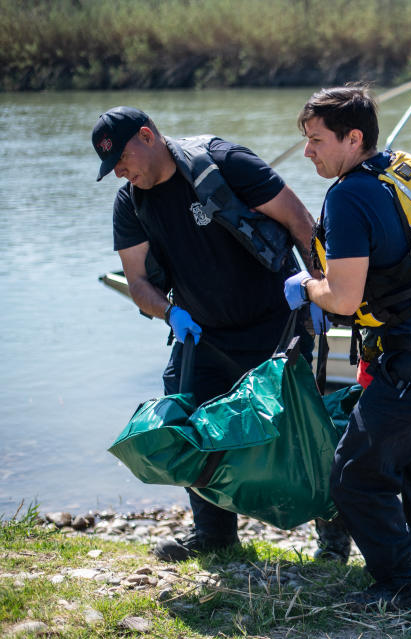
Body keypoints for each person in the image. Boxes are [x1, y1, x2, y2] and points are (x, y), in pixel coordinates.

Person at [92, 106, 323, 561]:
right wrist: (169, 312)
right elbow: (138, 282)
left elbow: (300, 222)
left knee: (301, 430)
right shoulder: (130, 201)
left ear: (147, 135)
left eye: (122, 158)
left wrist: (323, 292)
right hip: (202, 336)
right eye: (112, 166)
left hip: (276, 324)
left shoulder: (224, 162)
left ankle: (333, 540)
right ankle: (215, 535)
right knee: (190, 427)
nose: (120, 170)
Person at [283, 85, 411, 609]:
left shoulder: (347, 195)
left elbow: (343, 298)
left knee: (353, 476)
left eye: (317, 140)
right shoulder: (403, 167)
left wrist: (306, 288)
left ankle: (403, 582)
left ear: (353, 138)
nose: (308, 152)